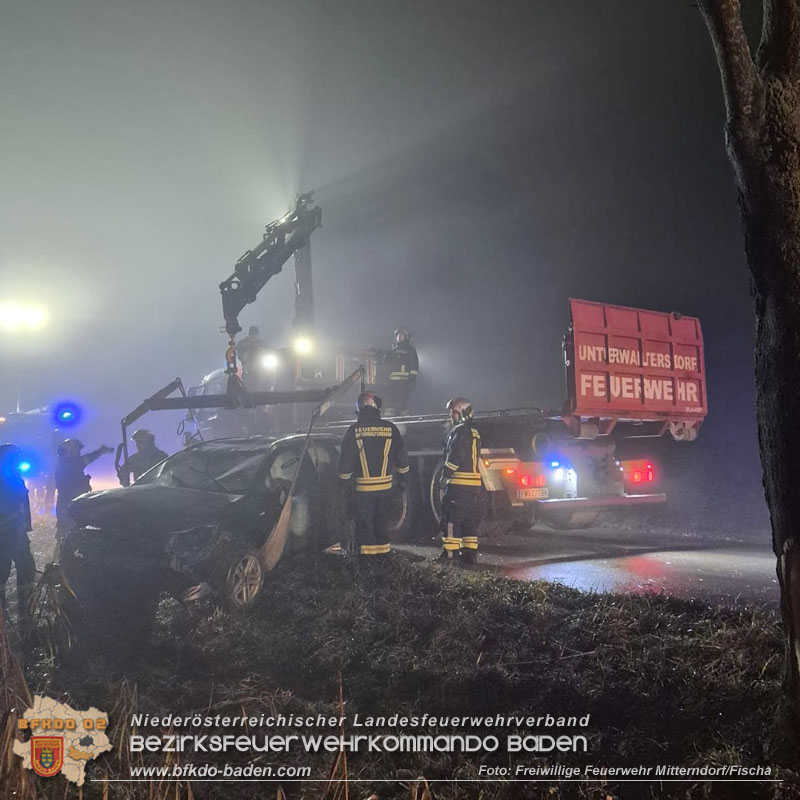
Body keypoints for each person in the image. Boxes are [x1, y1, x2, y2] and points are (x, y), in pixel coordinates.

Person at [337, 392, 409, 560]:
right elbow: (403, 461)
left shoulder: (354, 431)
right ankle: (384, 562)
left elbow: (345, 463)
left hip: (363, 491)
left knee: (365, 528)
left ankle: (368, 566)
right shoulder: (391, 429)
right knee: (381, 527)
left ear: (359, 410)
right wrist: (402, 483)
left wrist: (343, 486)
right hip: (386, 490)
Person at [438, 397, 482, 564]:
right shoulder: (474, 431)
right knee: (469, 520)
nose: (451, 416)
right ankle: (470, 554)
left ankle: (450, 554)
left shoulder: (459, 431)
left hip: (458, 484)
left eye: (454, 412)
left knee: (451, 519)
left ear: (463, 412)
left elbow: (455, 456)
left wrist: (445, 475)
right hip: (473, 485)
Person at [0, 444, 36, 624]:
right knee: (25, 565)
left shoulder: (11, 475)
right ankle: (24, 608)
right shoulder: (7, 478)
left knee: (7, 567)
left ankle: (12, 606)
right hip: (10, 532)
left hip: (13, 530)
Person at [55, 438, 113, 541]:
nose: (79, 452)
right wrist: (101, 451)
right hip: (70, 502)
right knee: (68, 531)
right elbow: (87, 459)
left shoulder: (67, 464)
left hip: (71, 501)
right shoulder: (71, 464)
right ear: (69, 451)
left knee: (69, 531)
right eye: (77, 450)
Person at [382, 328, 418, 415]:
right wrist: (391, 353)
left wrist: (412, 378)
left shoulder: (410, 349)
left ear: (406, 337)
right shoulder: (394, 349)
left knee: (402, 399)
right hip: (392, 380)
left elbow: (414, 364)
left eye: (401, 335)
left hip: (404, 379)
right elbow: (386, 360)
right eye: (398, 335)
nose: (399, 337)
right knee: (390, 398)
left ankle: (404, 416)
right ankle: (389, 415)